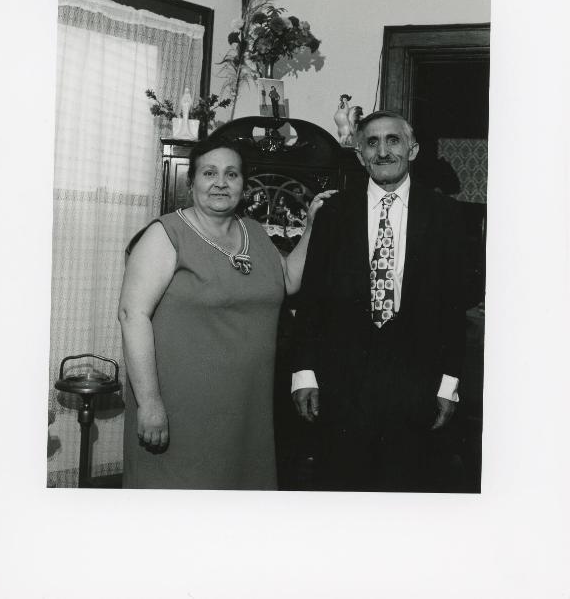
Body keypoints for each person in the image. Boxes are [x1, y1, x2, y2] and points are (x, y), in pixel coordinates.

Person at [119, 138, 335, 489]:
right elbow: (132, 315)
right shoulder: (165, 234)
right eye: (209, 173)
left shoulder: (253, 231)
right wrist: (149, 403)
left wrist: (311, 226)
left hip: (247, 410)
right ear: (191, 184)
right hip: (180, 409)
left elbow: (289, 280)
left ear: (243, 186)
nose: (221, 182)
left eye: (231, 174)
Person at [291, 110, 466, 492]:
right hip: (342, 386)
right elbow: (311, 299)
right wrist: (304, 373)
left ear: (413, 149)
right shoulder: (333, 214)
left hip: (415, 385)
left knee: (407, 495)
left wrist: (448, 384)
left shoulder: (448, 217)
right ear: (358, 154)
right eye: (372, 142)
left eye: (393, 140)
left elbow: (454, 310)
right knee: (340, 492)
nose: (383, 151)